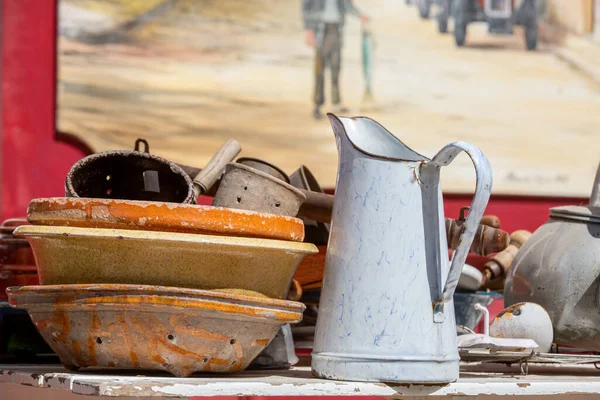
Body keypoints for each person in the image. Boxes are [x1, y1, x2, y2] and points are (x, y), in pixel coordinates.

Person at [302, 0, 369, 119]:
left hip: (337, 29)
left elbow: (347, 5)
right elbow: (306, 7)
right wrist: (308, 30)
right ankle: (317, 104)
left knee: (336, 67)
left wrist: (360, 15)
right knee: (319, 70)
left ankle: (336, 102)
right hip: (321, 30)